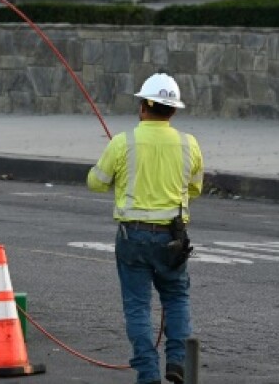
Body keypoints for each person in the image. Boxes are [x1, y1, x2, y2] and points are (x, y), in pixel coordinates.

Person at [87, 73, 204, 384]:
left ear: (142, 107)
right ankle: (177, 361)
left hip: (133, 237)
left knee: (138, 307)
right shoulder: (188, 144)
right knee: (176, 298)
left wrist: (117, 178)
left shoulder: (122, 143)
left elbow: (95, 182)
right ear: (174, 110)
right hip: (173, 239)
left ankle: (148, 374)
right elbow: (194, 189)